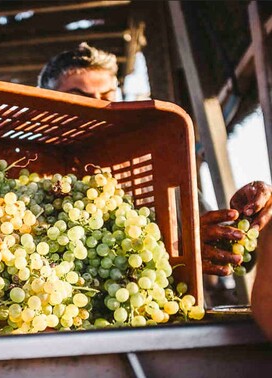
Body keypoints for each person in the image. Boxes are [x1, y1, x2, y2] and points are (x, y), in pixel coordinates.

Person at [38, 42, 272, 277]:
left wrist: (247, 220)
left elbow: (238, 260)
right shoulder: (34, 175)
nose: (99, 107)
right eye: (80, 98)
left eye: (108, 97)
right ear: (47, 108)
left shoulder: (158, 167)